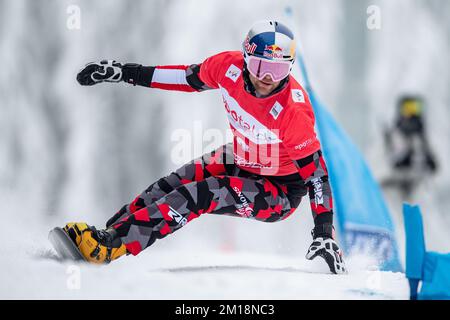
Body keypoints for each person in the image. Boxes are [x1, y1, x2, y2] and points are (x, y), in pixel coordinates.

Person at [64, 20, 346, 274]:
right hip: (243, 155)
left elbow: (317, 176)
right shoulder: (227, 67)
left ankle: (111, 246)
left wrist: (323, 232)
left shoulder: (293, 112)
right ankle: (108, 234)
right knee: (172, 184)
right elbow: (182, 78)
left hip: (280, 190)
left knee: (202, 193)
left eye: (278, 69)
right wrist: (123, 72)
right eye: (261, 66)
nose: (268, 79)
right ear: (246, 59)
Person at [383, 95, 437, 198]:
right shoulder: (390, 136)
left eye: (415, 108)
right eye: (408, 109)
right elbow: (380, 168)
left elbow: (436, 169)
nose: (412, 114)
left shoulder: (423, 140)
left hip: (419, 193)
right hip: (394, 193)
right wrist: (401, 160)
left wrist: (430, 161)